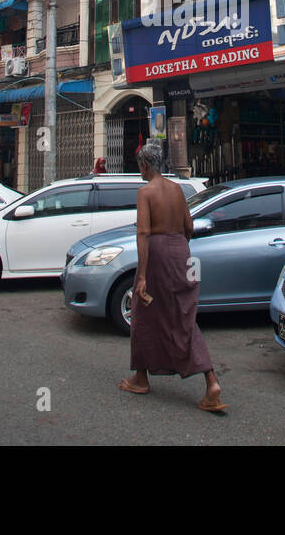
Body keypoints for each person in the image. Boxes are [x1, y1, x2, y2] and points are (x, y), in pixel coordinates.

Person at [119, 141, 226, 414]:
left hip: (158, 253)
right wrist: (178, 247)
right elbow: (188, 227)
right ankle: (210, 381)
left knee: (143, 314)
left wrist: (141, 275)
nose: (140, 171)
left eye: (140, 166)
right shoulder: (177, 189)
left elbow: (143, 233)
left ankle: (140, 378)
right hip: (181, 251)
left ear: (145, 165)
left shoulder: (146, 192)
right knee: (182, 314)